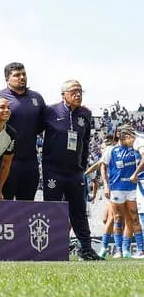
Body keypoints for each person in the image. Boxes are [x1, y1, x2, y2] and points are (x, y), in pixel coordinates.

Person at [42, 79, 102, 260]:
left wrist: (82, 166)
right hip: (53, 170)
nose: (78, 94)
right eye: (74, 91)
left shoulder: (86, 114)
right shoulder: (49, 111)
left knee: (79, 211)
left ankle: (85, 249)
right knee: (52, 210)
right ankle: (53, 248)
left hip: (75, 172)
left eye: (80, 91)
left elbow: (85, 141)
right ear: (63, 95)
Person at [0, 62, 46, 201]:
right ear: (7, 79)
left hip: (30, 160)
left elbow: (43, 123)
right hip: (5, 160)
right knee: (5, 204)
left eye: (23, 74)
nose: (21, 77)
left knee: (27, 205)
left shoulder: (37, 98)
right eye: (17, 75)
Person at [101, 125, 144, 258]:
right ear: (124, 137)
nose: (133, 140)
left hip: (132, 189)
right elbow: (102, 167)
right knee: (117, 219)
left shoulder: (135, 149)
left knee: (134, 218)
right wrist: (106, 186)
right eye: (131, 137)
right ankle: (118, 250)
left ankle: (139, 249)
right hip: (117, 189)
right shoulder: (111, 150)